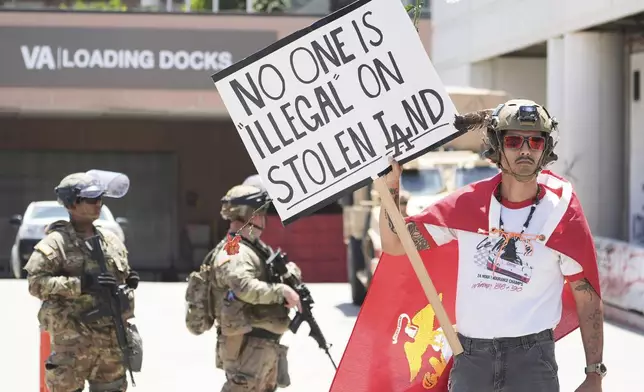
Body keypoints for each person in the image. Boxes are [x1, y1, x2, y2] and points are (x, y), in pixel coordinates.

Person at [379, 99, 605, 392]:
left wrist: (594, 374)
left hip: (532, 363)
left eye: (535, 142)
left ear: (546, 148)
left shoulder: (563, 213)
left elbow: (588, 298)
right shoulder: (467, 204)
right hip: (472, 361)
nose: (525, 150)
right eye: (513, 141)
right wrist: (391, 187)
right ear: (497, 146)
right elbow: (395, 244)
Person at [24, 170, 142, 392]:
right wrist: (80, 284)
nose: (98, 203)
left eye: (100, 198)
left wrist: (128, 280)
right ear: (72, 204)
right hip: (72, 345)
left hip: (110, 344)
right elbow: (36, 283)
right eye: (91, 199)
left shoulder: (111, 240)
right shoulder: (55, 243)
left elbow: (121, 276)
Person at [185, 182, 303, 392]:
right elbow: (243, 287)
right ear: (251, 215)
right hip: (247, 348)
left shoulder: (253, 247)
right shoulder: (234, 250)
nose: (263, 219)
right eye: (261, 213)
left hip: (261, 347)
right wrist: (281, 291)